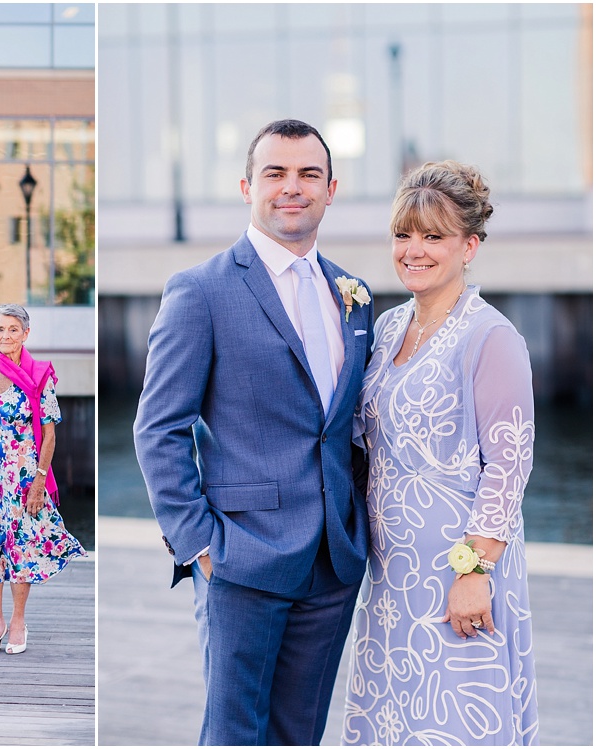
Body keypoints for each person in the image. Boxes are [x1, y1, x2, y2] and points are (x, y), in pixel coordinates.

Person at [133, 119, 374, 745]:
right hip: (240, 557)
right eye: (275, 173)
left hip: (333, 562)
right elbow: (159, 429)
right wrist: (201, 546)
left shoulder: (354, 294)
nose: (291, 188)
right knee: (235, 735)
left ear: (331, 189)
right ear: (247, 186)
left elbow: (344, 429)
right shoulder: (200, 291)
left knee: (301, 735)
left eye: (308, 174)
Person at [341, 161, 538, 745]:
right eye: (404, 235)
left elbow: (510, 461)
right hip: (391, 577)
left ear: (469, 245)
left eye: (434, 237)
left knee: (453, 722)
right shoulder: (387, 327)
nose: (414, 251)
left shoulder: (491, 337)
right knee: (395, 719)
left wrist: (476, 573)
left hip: (458, 572)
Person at [0, 304, 86, 655]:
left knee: (21, 547)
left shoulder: (39, 374)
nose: (6, 336)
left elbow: (48, 436)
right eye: (0, 329)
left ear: (26, 334)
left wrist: (38, 481)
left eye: (13, 329)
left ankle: (18, 621)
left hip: (22, 479)